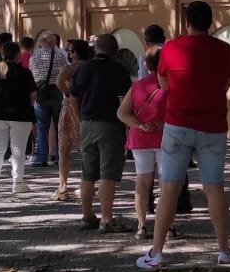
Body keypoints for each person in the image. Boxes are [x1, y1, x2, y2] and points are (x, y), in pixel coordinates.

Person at [141, 1, 230, 270]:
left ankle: (156, 253)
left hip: (178, 125)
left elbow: (164, 84)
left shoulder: (171, 48)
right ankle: (224, 251)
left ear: (186, 22)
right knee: (214, 189)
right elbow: (225, 84)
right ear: (211, 22)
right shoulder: (224, 50)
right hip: (213, 127)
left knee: (169, 189)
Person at [70, 32, 134, 231]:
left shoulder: (83, 68)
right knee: (108, 173)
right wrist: (128, 127)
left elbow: (73, 97)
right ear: (115, 51)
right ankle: (106, 219)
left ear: (96, 49)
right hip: (110, 125)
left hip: (86, 124)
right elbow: (124, 102)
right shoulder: (119, 71)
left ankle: (87, 216)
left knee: (88, 173)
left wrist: (79, 120)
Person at [119, 45, 179, 240]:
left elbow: (122, 113)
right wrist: (161, 124)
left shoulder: (137, 86)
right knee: (166, 184)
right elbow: (179, 114)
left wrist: (140, 125)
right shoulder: (172, 85)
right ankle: (168, 226)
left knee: (142, 183)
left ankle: (142, 226)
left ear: (146, 64)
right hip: (166, 138)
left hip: (140, 138)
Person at [0, 40, 37, 194]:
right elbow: (33, 95)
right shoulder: (25, 72)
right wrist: (29, 107)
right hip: (21, 114)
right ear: (17, 55)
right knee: (18, 149)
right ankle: (17, 183)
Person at [54, 39, 92, 201]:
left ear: (76, 53)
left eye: (71, 51)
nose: (69, 54)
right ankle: (86, 184)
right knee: (86, 150)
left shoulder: (70, 68)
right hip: (86, 108)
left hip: (69, 109)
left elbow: (58, 81)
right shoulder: (90, 67)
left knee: (64, 149)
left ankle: (63, 186)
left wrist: (68, 93)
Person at [28, 32, 69, 169]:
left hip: (41, 93)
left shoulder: (35, 57)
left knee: (42, 127)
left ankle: (41, 158)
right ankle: (59, 156)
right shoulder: (61, 56)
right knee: (59, 126)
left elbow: (32, 73)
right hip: (56, 91)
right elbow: (65, 72)